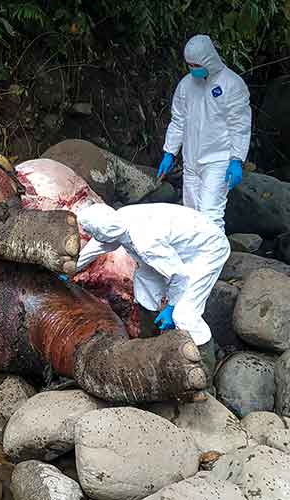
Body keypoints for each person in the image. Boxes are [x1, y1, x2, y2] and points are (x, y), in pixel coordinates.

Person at [73, 203, 230, 380]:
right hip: (177, 243)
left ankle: (203, 372)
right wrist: (71, 269)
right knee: (145, 288)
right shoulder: (118, 219)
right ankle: (151, 345)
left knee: (185, 314)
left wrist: (171, 307)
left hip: (206, 250)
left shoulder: (146, 243)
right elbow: (98, 246)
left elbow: (180, 276)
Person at [156, 34, 252, 231]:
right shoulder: (186, 85)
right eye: (189, 65)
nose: (193, 69)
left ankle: (214, 261)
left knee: (210, 215)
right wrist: (169, 152)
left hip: (218, 160)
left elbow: (240, 126)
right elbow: (178, 121)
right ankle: (194, 258)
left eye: (196, 65)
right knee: (191, 214)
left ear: (208, 60)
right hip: (191, 160)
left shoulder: (232, 85)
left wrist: (236, 159)